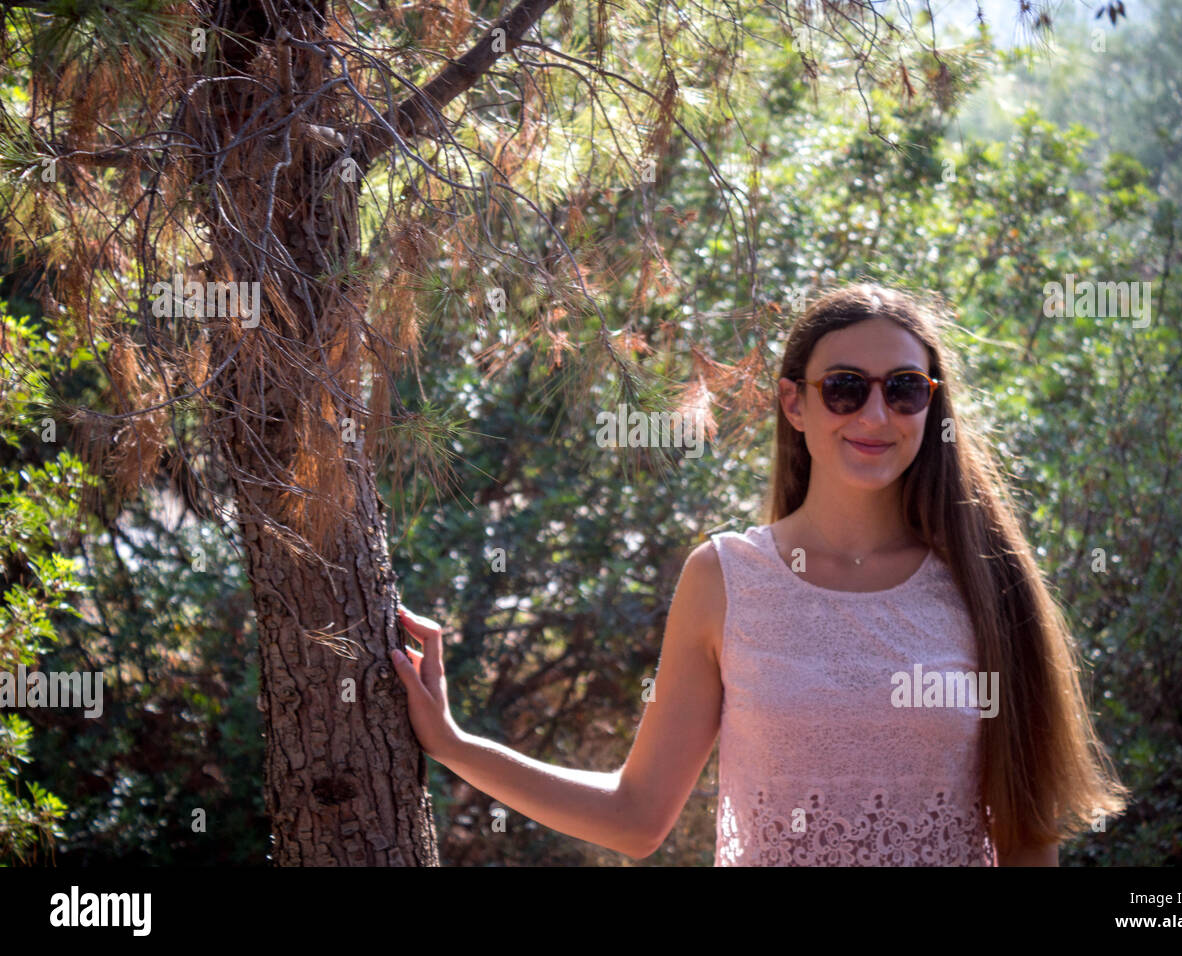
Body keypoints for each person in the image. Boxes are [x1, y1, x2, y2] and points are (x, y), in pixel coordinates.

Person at [392, 281, 1129, 865]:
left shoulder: (985, 583)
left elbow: (1030, 838)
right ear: (794, 403)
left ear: (928, 407)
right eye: (845, 387)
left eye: (903, 388)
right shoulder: (725, 580)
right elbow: (636, 817)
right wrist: (456, 745)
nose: (875, 413)